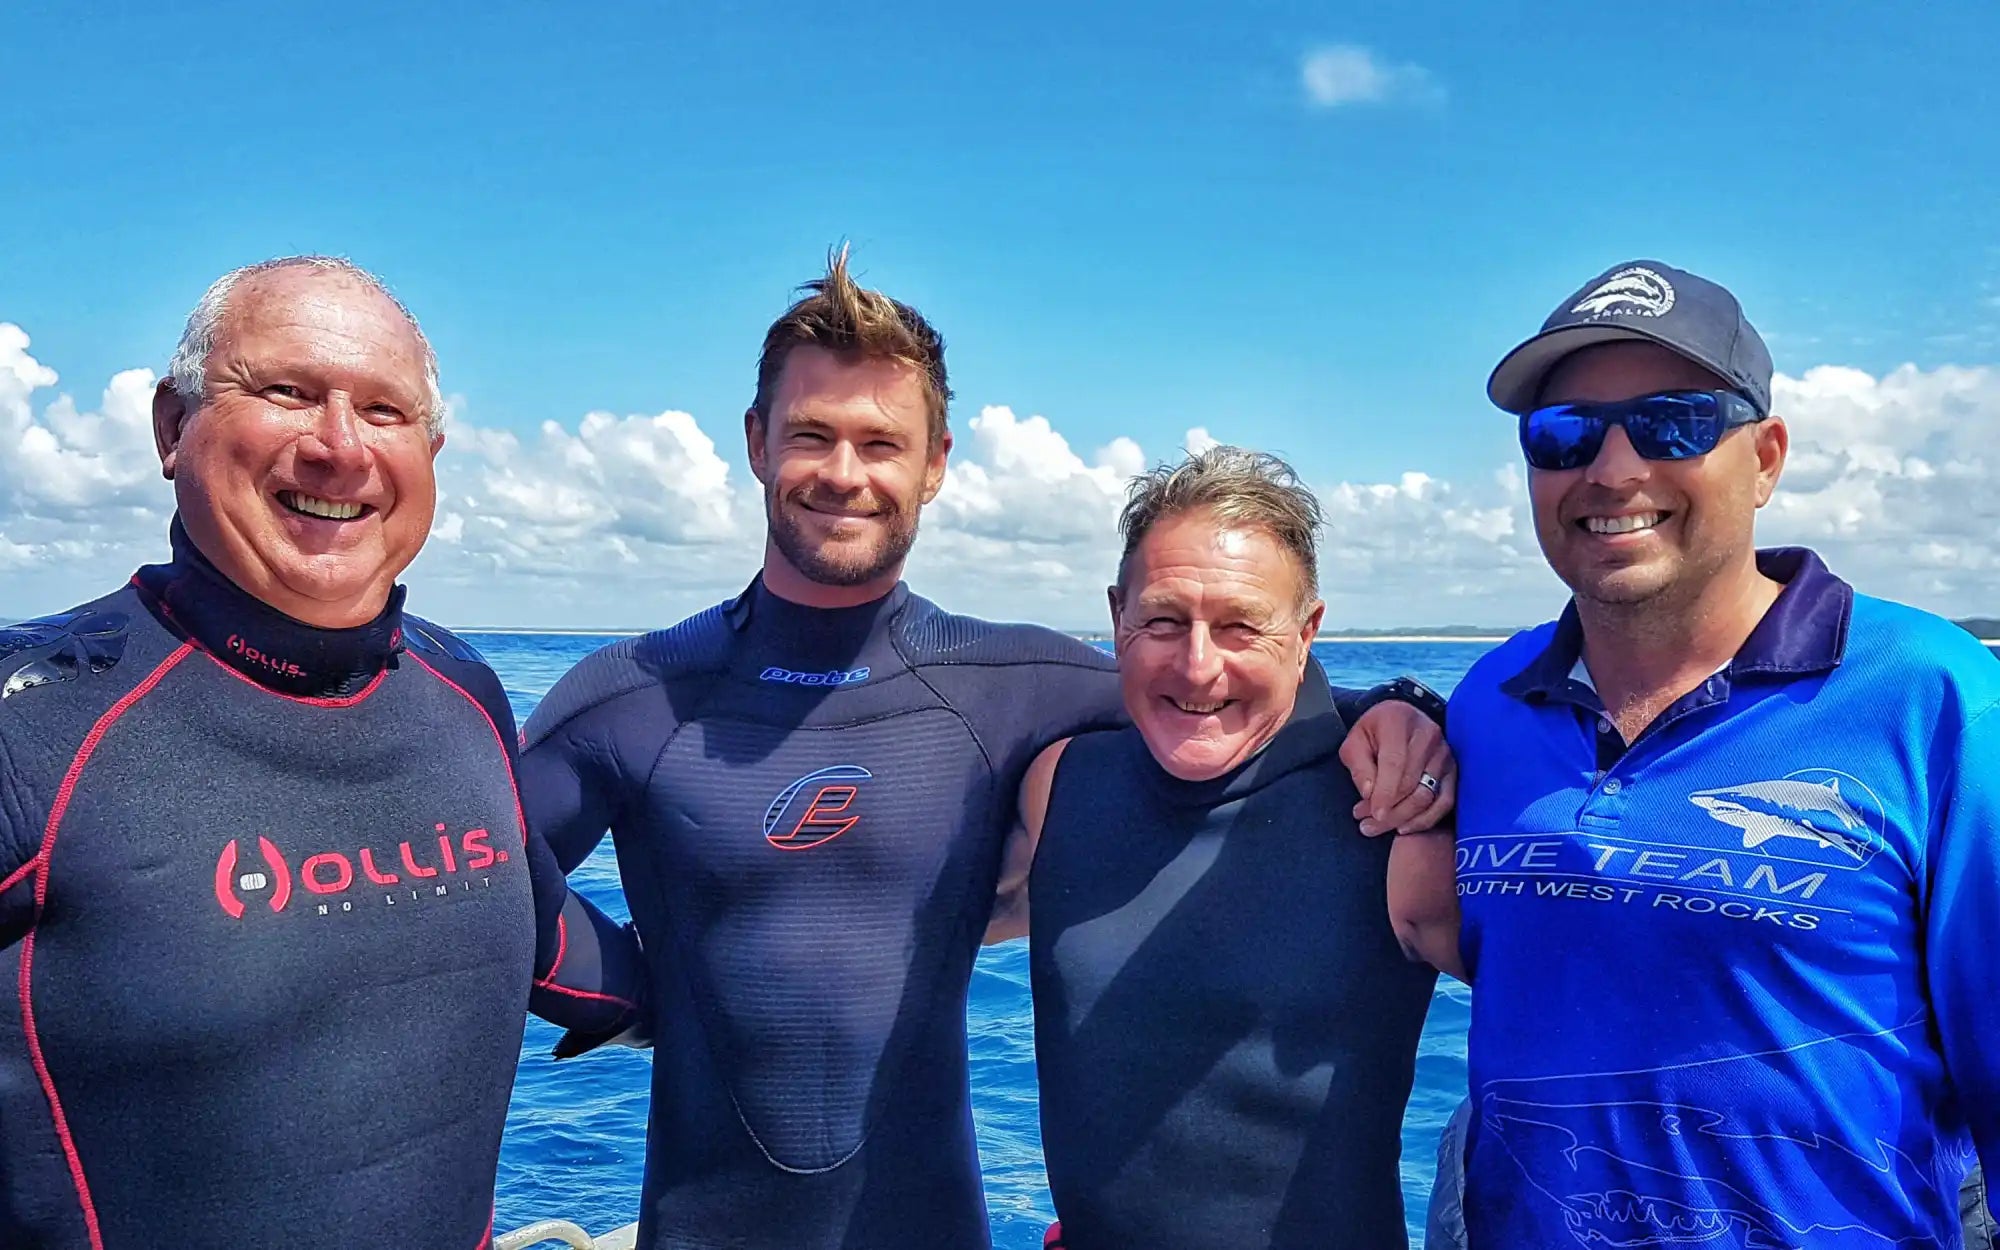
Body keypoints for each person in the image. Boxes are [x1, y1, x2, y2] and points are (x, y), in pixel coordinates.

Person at [516, 251, 1451, 1249]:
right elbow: (469, 878)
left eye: (881, 441)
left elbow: (1218, 694)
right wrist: (637, 992)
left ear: (935, 462)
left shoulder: (1007, 684)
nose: (844, 471)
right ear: (754, 442)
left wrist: (1397, 704)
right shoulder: (630, 696)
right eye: (810, 434)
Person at [0, 257, 640, 1249]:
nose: (340, 447)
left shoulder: (459, 689)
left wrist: (789, 987)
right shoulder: (31, 720)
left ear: (429, 449)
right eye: (286, 391)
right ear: (172, 427)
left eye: (384, 411)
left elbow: (549, 936)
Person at [1436, 259, 1998, 1245]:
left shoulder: (1935, 695)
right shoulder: (1485, 700)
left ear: (1766, 456)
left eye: (1672, 423)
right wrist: (1385, 706)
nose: (1610, 470)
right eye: (1562, 434)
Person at [983, 446, 1458, 1249]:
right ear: (1115, 617)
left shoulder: (1391, 811)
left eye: (1242, 626)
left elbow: (1595, 1027)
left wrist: (1413, 703)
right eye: (1164, 621)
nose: (1198, 667)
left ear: (1307, 632)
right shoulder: (1062, 785)